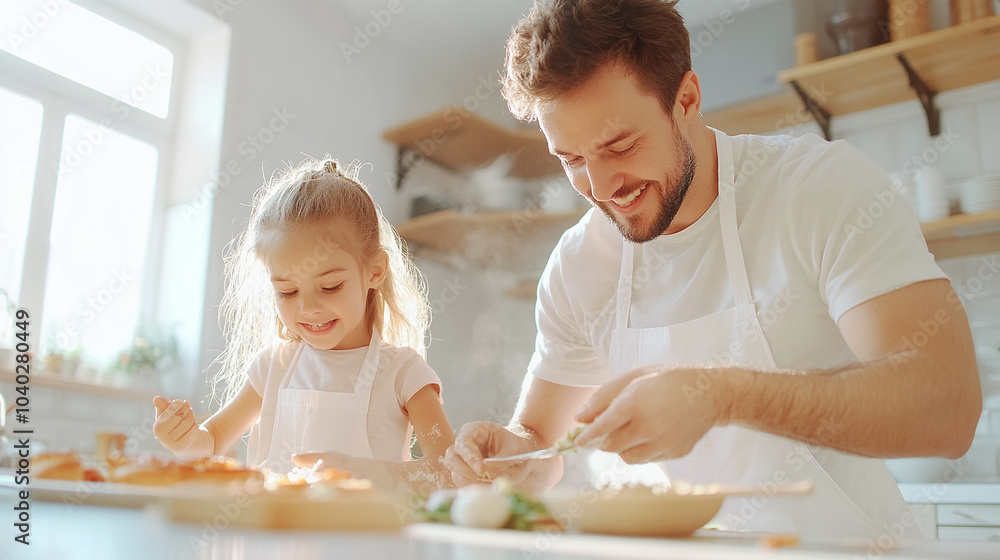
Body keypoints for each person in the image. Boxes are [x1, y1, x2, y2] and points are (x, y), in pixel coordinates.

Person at [444, 0, 982, 538]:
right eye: (572, 160)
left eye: (621, 145)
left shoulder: (815, 189)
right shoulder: (578, 264)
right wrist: (511, 458)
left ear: (687, 99)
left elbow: (947, 408)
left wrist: (719, 396)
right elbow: (540, 437)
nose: (602, 189)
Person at [153, 157, 454, 492]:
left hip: (364, 544)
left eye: (330, 287)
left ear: (375, 272)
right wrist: (185, 440)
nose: (308, 307)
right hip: (269, 539)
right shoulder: (273, 368)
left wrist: (365, 473)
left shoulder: (402, 373)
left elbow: (448, 471)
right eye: (288, 291)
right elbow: (212, 441)